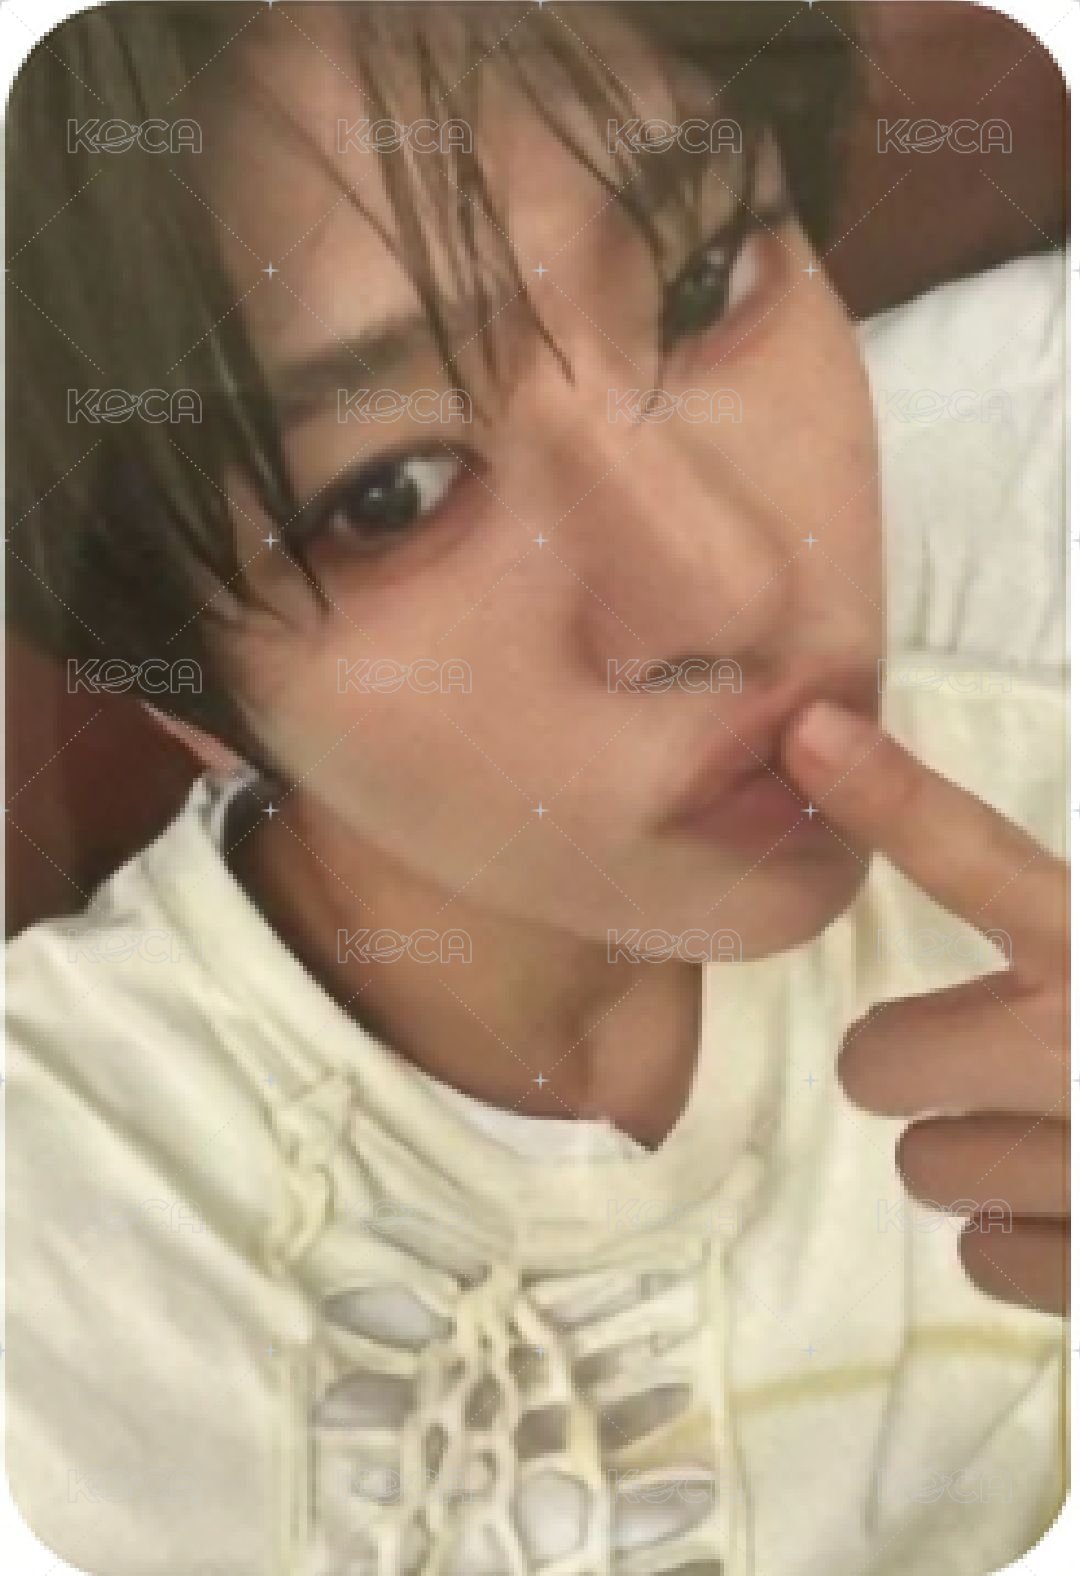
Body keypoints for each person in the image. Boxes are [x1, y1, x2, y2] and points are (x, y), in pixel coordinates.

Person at [4, 5, 1067, 1574]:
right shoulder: (64, 1243)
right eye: (393, 493)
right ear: (191, 702)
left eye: (708, 280)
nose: (726, 586)